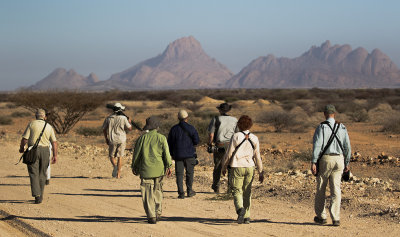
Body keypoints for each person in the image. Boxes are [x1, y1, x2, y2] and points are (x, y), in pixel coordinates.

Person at [311, 104, 351, 227]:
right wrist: (347, 162)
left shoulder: (321, 127)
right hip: (339, 159)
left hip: (325, 160)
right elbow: (347, 147)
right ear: (334, 114)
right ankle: (336, 218)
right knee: (336, 189)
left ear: (325, 114)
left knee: (321, 188)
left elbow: (317, 145)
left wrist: (314, 161)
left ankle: (321, 216)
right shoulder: (342, 127)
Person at [221, 115, 264, 224]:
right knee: (247, 192)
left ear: (239, 125)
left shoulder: (236, 136)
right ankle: (247, 217)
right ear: (250, 125)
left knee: (237, 190)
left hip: (237, 166)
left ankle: (240, 209)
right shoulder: (254, 138)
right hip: (250, 167)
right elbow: (257, 156)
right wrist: (260, 171)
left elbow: (229, 153)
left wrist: (224, 167)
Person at [132, 116, 172, 224]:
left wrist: (134, 166)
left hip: (145, 170)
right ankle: (158, 212)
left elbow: (136, 155)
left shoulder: (141, 139)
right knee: (158, 190)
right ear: (157, 127)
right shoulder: (162, 138)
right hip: (159, 170)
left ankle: (151, 216)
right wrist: (169, 166)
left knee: (147, 193)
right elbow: (167, 155)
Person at [19, 109, 58, 204]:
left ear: (36, 116)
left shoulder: (32, 124)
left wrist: (21, 148)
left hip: (33, 150)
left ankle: (37, 195)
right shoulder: (49, 126)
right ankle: (41, 194)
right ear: (44, 117)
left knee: (33, 173)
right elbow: (54, 142)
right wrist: (55, 155)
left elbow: (25, 139)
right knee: (42, 173)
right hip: (45, 151)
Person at [168, 110, 200, 199]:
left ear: (178, 118)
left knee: (179, 174)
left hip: (178, 155)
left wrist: (172, 154)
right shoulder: (191, 128)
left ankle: (181, 193)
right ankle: (189, 191)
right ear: (187, 118)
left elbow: (169, 143)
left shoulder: (173, 129)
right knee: (190, 173)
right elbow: (196, 141)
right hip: (189, 154)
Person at [207, 102, 238, 193]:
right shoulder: (235, 120)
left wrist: (209, 144)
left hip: (219, 145)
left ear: (220, 110)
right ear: (228, 110)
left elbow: (211, 135)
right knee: (230, 166)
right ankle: (230, 188)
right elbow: (237, 134)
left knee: (218, 166)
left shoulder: (216, 119)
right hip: (231, 145)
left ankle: (216, 187)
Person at [103, 103, 132, 179]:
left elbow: (104, 129)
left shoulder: (108, 118)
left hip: (112, 139)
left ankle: (115, 166)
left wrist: (106, 138)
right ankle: (118, 175)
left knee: (111, 156)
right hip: (122, 139)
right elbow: (130, 128)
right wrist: (129, 122)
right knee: (120, 157)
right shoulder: (123, 118)